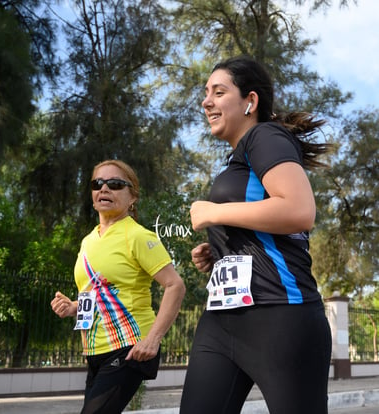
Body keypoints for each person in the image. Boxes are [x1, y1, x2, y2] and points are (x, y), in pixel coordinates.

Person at [179, 56, 332, 414]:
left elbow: (298, 210)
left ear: (250, 101)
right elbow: (260, 222)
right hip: (222, 319)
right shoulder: (237, 160)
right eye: (206, 94)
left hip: (280, 316)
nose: (207, 101)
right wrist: (221, 250)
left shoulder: (264, 136)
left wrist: (215, 213)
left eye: (219, 92)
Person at [51, 159, 185, 414]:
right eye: (97, 183)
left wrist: (153, 340)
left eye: (114, 184)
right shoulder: (87, 241)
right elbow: (101, 294)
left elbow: (175, 285)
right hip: (95, 350)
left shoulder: (137, 236)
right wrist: (72, 307)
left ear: (132, 196)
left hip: (130, 347)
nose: (104, 189)